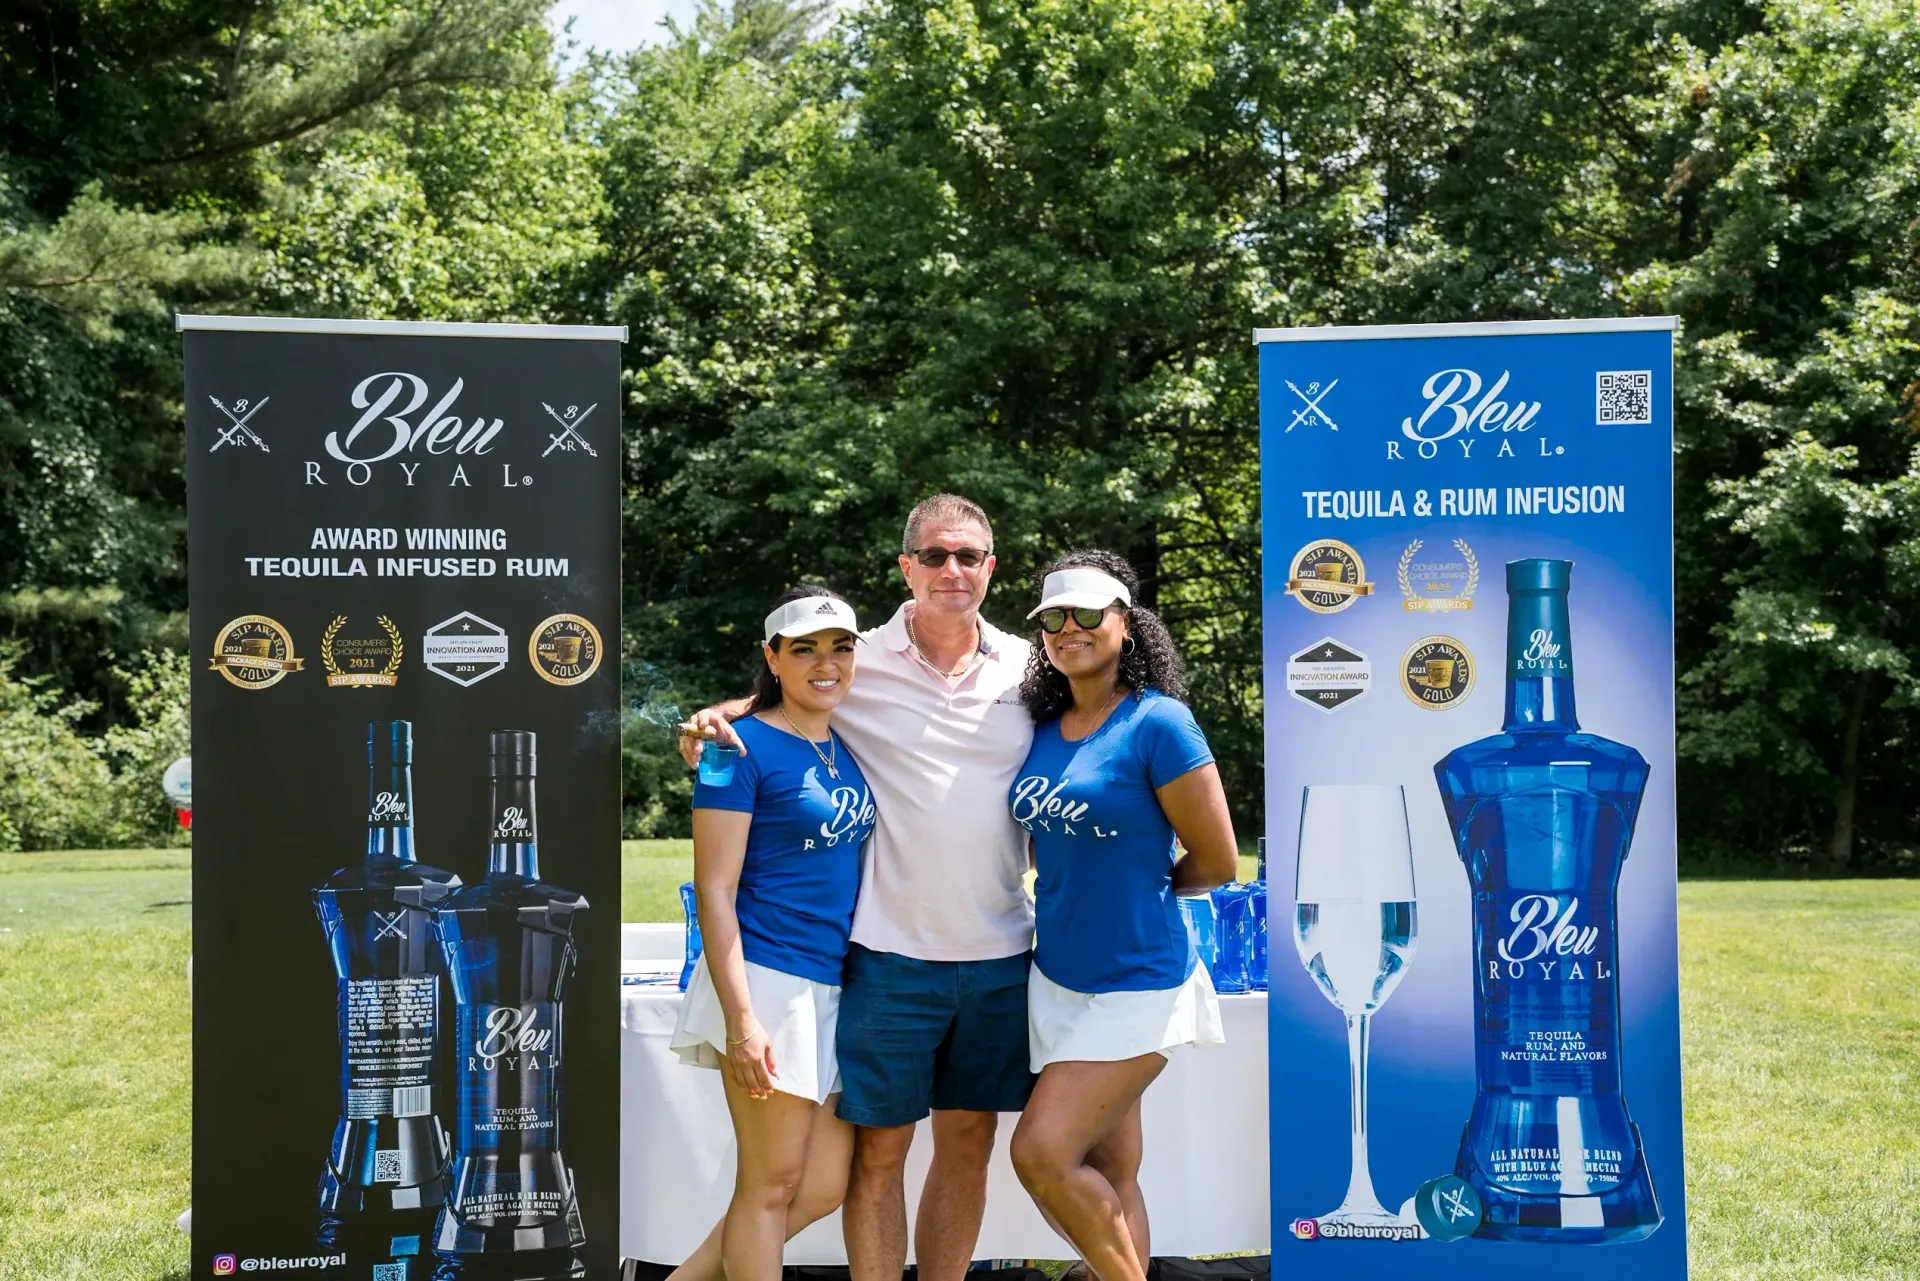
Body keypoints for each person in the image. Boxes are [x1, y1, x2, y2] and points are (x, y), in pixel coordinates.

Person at [679, 495, 1036, 1281]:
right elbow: (782, 699)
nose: (952, 569)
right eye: (934, 555)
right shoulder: (863, 655)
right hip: (881, 955)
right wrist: (715, 719)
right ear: (906, 567)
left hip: (999, 947)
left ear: (990, 567)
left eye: (968, 555)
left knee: (951, 1148)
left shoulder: (1029, 665)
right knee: (870, 1156)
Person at [1005, 550, 1239, 1281]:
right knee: (1110, 1166)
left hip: (1140, 978)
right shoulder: (1039, 726)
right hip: (1059, 976)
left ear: (1127, 625)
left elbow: (1217, 860)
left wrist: (1143, 887)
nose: (1067, 628)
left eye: (1086, 613)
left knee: (1041, 1153)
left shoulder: (1160, 723)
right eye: (1052, 617)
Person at [668, 586, 878, 1281]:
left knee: (820, 1186)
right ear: (773, 657)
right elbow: (715, 889)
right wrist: (742, 1018)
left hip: (834, 983)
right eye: (805, 649)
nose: (826, 662)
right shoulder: (735, 747)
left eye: (840, 647)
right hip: (766, 979)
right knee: (768, 1185)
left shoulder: (847, 742)